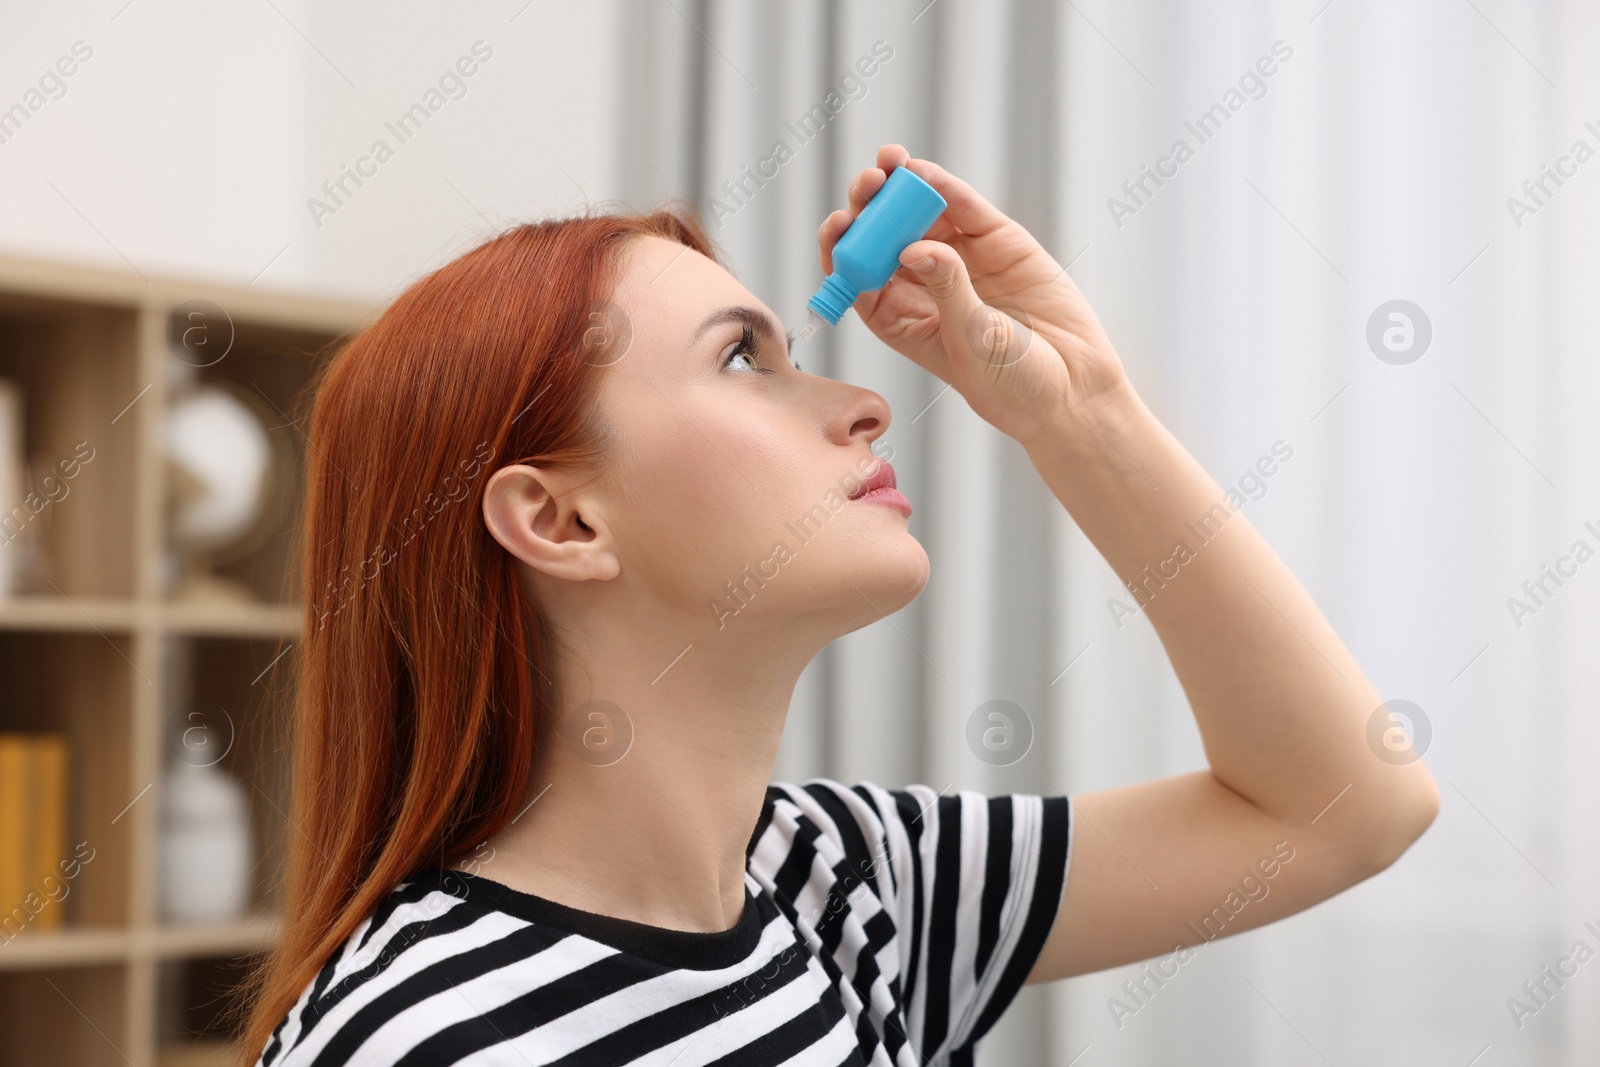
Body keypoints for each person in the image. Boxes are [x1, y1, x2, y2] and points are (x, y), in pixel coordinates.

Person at [237, 143, 1439, 1065]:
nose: (865, 402)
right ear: (561, 521)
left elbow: (1345, 805)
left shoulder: (840, 875)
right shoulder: (429, 1035)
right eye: (742, 359)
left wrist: (1081, 412)